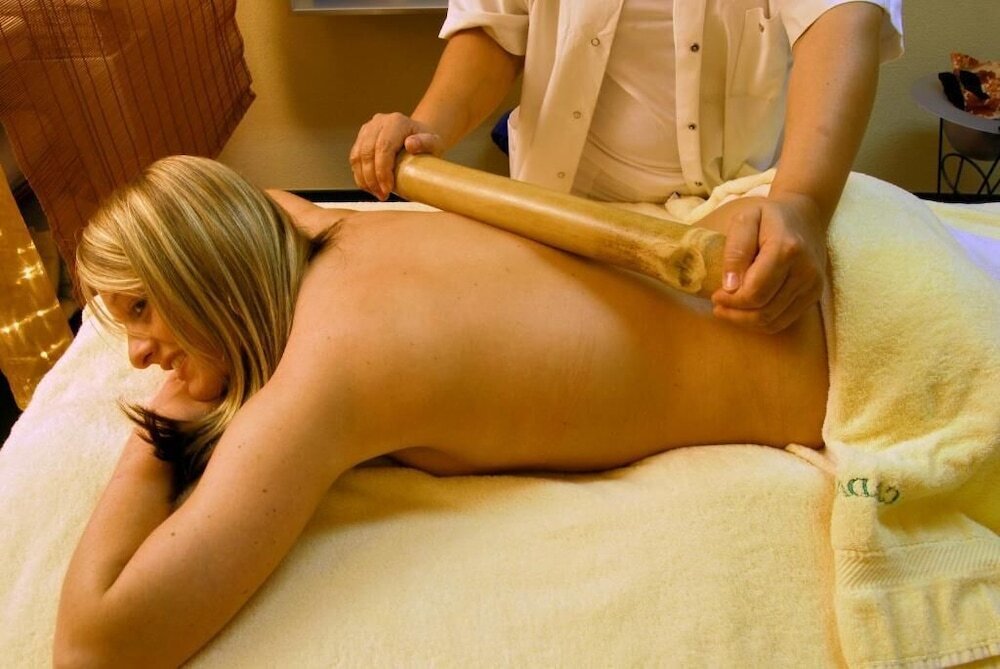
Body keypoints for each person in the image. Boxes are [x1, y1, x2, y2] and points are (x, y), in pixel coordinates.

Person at [54, 155, 828, 666]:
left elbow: (94, 647)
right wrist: (190, 333)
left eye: (143, 308)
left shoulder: (330, 371)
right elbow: (245, 199)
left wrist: (163, 425)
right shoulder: (310, 223)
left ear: (207, 268)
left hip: (836, 353)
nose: (140, 357)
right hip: (780, 244)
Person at [350, 0, 903, 333]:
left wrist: (802, 202)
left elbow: (840, 18)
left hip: (720, 215)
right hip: (549, 212)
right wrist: (428, 126)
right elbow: (498, 25)